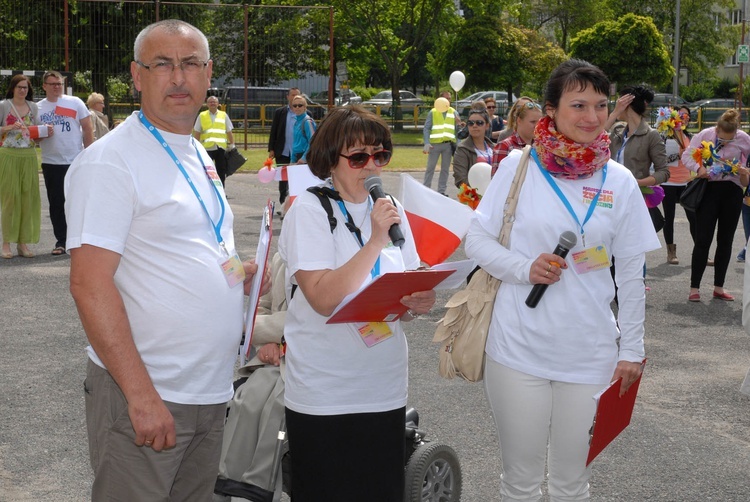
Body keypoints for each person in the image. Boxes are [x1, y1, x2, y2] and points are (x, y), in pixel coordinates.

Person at [64, 20, 270, 501]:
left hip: (208, 389)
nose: (179, 77)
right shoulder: (111, 161)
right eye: (163, 64)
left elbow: (187, 245)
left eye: (191, 64)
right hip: (150, 392)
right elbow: (89, 285)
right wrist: (140, 396)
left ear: (208, 74)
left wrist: (234, 277)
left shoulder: (196, 150)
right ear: (137, 76)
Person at [465, 59, 659, 501]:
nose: (591, 117)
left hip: (590, 356)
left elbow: (631, 275)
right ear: (550, 110)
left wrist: (632, 350)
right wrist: (522, 268)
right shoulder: (518, 166)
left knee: (573, 484)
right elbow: (475, 239)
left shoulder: (621, 181)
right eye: (578, 105)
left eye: (600, 105)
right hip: (517, 351)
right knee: (521, 483)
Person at [278, 105, 436, 501]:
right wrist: (375, 241)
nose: (372, 166)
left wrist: (419, 300)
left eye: (380, 155)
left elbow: (403, 283)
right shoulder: (310, 210)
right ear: (332, 160)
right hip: (325, 392)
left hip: (383, 387)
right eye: (359, 157)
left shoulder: (390, 211)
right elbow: (322, 298)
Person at [682, 108, 750, 302]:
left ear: (736, 132)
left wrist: (745, 172)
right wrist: (699, 168)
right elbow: (687, 156)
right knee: (703, 239)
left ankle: (718, 287)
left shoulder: (744, 139)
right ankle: (694, 288)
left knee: (726, 240)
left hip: (733, 191)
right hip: (709, 190)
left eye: (731, 139)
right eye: (723, 137)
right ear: (717, 129)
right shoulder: (705, 134)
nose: (726, 141)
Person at [38, 70, 94, 255]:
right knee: (56, 203)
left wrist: (90, 153)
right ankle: (61, 241)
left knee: (78, 201)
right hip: (51, 162)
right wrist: (41, 134)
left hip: (75, 159)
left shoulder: (75, 102)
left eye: (59, 84)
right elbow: (34, 139)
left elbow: (87, 128)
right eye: (53, 84)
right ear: (44, 86)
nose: (57, 87)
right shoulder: (38, 108)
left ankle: (82, 239)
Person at [0, 75, 51, 259]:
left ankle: (23, 243)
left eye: (26, 87)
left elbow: (34, 133)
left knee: (27, 199)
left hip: (29, 156)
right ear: (13, 88)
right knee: (9, 200)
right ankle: (6, 243)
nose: (23, 90)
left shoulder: (33, 107)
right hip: (8, 155)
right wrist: (7, 128)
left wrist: (45, 132)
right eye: (19, 87)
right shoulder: (4, 105)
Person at [657, 106, 695, 264]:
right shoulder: (666, 135)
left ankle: (701, 250)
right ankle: (671, 252)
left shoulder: (689, 136)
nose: (683, 117)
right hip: (669, 182)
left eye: (686, 115)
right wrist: (678, 155)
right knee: (670, 217)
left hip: (686, 182)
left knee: (694, 218)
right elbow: (660, 159)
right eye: (681, 115)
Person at [268, 87, 301, 208]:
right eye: (292, 95)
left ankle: (295, 204)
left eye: (297, 95)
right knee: (283, 180)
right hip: (283, 151)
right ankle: (283, 204)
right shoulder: (280, 112)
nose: (294, 98)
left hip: (298, 154)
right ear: (288, 97)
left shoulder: (306, 114)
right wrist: (271, 149)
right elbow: (274, 131)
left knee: (296, 179)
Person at [491, 100, 543, 175]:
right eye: (533, 122)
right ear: (519, 120)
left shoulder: (541, 147)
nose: (537, 126)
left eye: (539, 122)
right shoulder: (505, 146)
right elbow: (497, 182)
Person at [193, 94, 235, 186]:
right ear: (207, 104)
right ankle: (206, 190)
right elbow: (197, 132)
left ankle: (221, 191)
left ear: (218, 104)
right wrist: (196, 146)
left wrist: (232, 144)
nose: (212, 103)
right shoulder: (202, 115)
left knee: (221, 170)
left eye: (214, 102)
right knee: (205, 170)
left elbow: (229, 131)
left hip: (220, 148)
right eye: (210, 102)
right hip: (207, 148)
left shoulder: (223, 115)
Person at [423, 95, 461, 195]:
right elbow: (427, 128)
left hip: (448, 145)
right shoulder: (433, 112)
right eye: (445, 98)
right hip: (434, 145)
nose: (447, 100)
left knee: (445, 169)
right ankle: (426, 190)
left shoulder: (453, 112)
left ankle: (441, 192)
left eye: (449, 98)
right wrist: (427, 142)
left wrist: (458, 143)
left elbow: (458, 130)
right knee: (430, 168)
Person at [453, 108, 494, 188]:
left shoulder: (495, 148)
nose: (474, 126)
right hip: (473, 197)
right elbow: (460, 179)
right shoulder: (462, 149)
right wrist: (479, 191)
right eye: (470, 123)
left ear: (487, 126)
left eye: (479, 123)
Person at [290, 94, 316, 163]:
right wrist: (292, 159)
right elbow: (295, 143)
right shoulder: (296, 122)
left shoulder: (307, 122)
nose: (297, 107)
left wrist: (304, 158)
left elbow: (313, 141)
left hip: (306, 158)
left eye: (300, 105)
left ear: (305, 107)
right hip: (297, 158)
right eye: (295, 106)